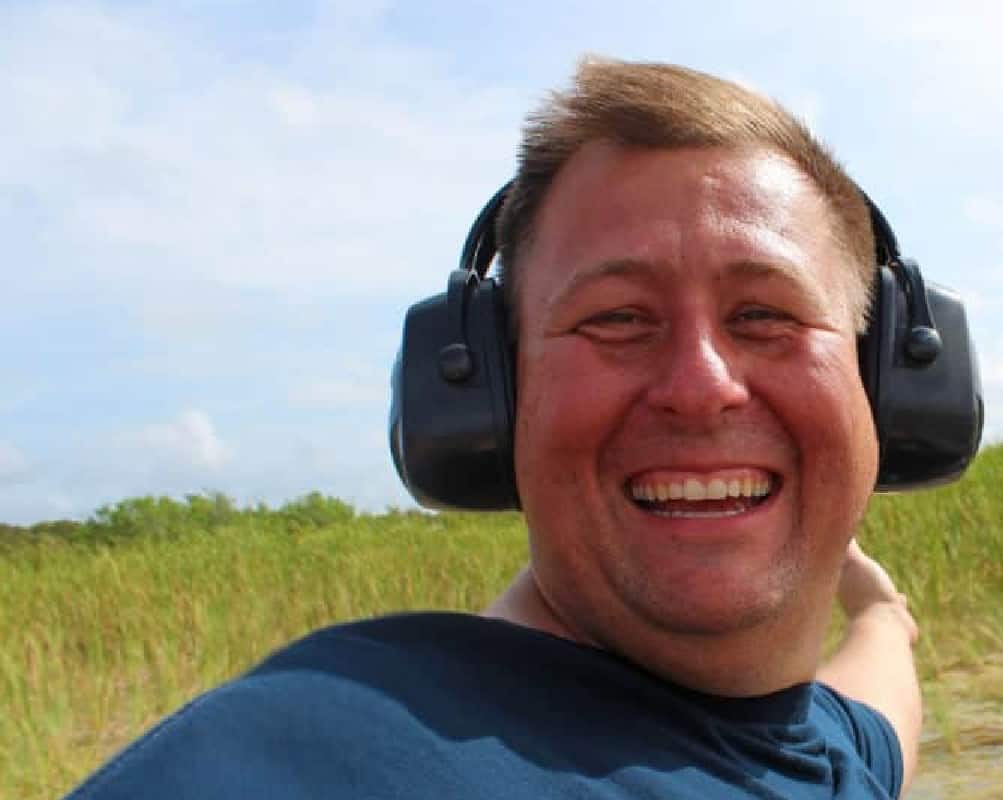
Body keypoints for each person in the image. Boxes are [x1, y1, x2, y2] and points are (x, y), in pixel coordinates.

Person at [65, 58, 921, 799]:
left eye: (765, 314)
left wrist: (880, 615)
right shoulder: (317, 747)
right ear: (496, 395)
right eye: (618, 318)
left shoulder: (828, 753)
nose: (701, 387)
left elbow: (874, 711)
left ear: (884, 381)